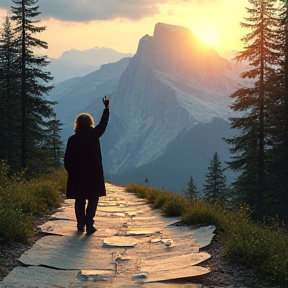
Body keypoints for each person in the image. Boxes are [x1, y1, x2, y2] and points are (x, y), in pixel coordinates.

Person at [64, 96, 110, 234]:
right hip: (93, 174)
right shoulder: (94, 135)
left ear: (77, 124)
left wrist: (71, 172)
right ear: (90, 123)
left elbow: (67, 160)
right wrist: (106, 108)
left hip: (77, 175)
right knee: (93, 198)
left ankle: (80, 224)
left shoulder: (72, 139)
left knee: (80, 200)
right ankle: (90, 224)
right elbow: (103, 124)